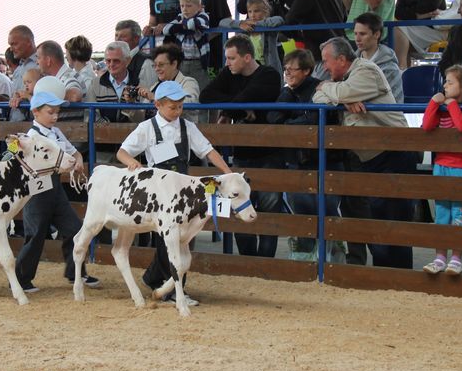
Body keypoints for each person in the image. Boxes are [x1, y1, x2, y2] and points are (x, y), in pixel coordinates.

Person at [117, 81, 232, 305]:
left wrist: (227, 172)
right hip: (157, 192)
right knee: (170, 238)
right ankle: (169, 287)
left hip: (182, 190)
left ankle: (158, 280)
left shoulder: (187, 127)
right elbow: (122, 152)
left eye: (180, 107)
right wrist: (132, 163)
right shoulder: (147, 128)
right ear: (158, 105)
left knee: (182, 237)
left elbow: (207, 150)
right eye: (173, 107)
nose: (178, 111)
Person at [312, 37, 415, 269]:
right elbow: (317, 97)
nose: (324, 67)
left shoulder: (366, 69)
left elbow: (331, 91)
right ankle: (384, 275)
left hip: (393, 153)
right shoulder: (344, 80)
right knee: (379, 218)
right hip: (373, 156)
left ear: (341, 59)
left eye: (326, 61)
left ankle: (399, 277)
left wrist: (336, 93)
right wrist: (343, 98)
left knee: (394, 220)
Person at [200, 35, 281, 257]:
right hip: (243, 151)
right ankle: (247, 260)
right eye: (227, 58)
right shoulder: (230, 73)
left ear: (247, 57)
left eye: (232, 58)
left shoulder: (269, 75)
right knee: (240, 204)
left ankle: (264, 262)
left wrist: (231, 108)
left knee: (268, 207)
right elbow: (205, 95)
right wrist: (239, 108)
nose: (227, 63)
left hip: (270, 151)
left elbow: (245, 98)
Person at [14, 91, 98, 292]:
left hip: (55, 187)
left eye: (56, 112)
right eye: (50, 112)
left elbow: (73, 151)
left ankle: (75, 272)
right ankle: (20, 280)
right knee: (35, 234)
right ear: (35, 112)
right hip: (36, 188)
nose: (55, 116)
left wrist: (78, 161)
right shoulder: (30, 137)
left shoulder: (56, 132)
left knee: (74, 228)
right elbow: (12, 157)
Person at [268, 50, 343, 261]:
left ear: (307, 71)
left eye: (292, 69)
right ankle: (306, 263)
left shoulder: (319, 88)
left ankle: (332, 262)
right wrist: (293, 119)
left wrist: (288, 125)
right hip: (298, 162)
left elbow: (315, 120)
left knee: (327, 214)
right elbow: (273, 117)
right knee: (302, 214)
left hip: (324, 162)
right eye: (285, 69)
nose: (287, 73)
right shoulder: (287, 92)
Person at [421, 65, 462, 275]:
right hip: (441, 165)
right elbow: (427, 126)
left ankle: (456, 258)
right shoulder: (443, 107)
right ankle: (439, 257)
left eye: (450, 82)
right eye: (445, 81)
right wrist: (433, 103)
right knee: (442, 213)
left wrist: (452, 104)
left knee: (460, 213)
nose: (445, 85)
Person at [220, 0, 284, 78]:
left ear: (265, 11)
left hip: (268, 70)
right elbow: (222, 22)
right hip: (248, 72)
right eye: (250, 11)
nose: (252, 15)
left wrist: (257, 24)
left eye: (256, 11)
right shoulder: (245, 27)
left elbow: (279, 19)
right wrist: (239, 24)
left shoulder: (269, 29)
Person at [135, 44, 200, 122]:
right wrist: (131, 104)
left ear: (174, 64)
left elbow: (189, 104)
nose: (156, 69)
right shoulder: (155, 86)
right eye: (155, 65)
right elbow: (140, 119)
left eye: (161, 65)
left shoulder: (188, 82)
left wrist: (155, 97)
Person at [162, 0, 211, 90]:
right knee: (182, 88)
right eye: (182, 6)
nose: (185, 9)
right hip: (182, 62)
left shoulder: (203, 15)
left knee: (200, 89)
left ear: (198, 7)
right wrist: (184, 27)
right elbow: (166, 29)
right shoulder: (180, 17)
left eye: (189, 6)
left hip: (198, 63)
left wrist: (180, 27)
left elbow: (196, 24)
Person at [85, 41, 142, 124]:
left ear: (128, 60)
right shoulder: (95, 84)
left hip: (133, 134)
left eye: (116, 61)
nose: (111, 64)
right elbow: (90, 115)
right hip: (103, 135)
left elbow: (142, 119)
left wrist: (131, 106)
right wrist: (110, 130)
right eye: (108, 61)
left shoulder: (140, 83)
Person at [353, 12, 404, 103]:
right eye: (355, 34)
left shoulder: (390, 68)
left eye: (362, 34)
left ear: (377, 34)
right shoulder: (351, 63)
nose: (357, 39)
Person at [115, 20, 155, 87]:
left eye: (123, 36)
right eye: (116, 35)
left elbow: (148, 94)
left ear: (136, 39)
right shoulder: (113, 60)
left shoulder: (146, 64)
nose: (117, 40)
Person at [6, 25, 40, 97]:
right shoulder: (18, 69)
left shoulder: (42, 66)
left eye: (14, 44)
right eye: (10, 45)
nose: (11, 49)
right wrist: (3, 98)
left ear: (28, 42)